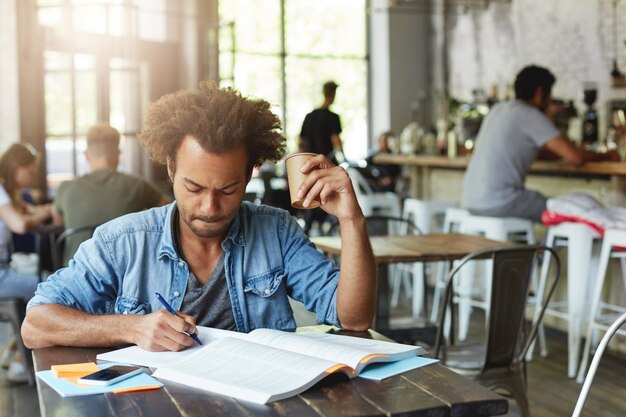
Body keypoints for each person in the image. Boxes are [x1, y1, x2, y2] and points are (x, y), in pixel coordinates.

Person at [22, 83, 376, 352]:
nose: (210, 207)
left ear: (250, 174)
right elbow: (35, 325)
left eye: (227, 189)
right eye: (194, 188)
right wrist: (130, 327)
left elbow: (354, 318)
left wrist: (352, 221)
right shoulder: (123, 242)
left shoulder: (276, 230)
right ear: (172, 169)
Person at [462, 65, 619, 222]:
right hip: (501, 201)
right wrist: (608, 155)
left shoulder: (498, 109)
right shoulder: (530, 114)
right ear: (539, 93)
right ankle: (546, 246)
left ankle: (541, 245)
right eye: (549, 93)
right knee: (566, 211)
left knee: (556, 207)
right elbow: (576, 158)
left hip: (470, 200)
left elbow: (536, 152)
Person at [52, 123, 170, 266]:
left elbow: (58, 221)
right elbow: (170, 213)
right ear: (118, 154)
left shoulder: (65, 188)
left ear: (86, 155)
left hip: (76, 276)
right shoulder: (137, 185)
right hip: (126, 276)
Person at [0, 142, 52, 382]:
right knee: (51, 287)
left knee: (44, 284)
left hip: (4, 270)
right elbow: (20, 224)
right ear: (16, 168)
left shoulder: (9, 194)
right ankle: (21, 361)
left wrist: (43, 210)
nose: (32, 177)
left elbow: (28, 212)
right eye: (30, 172)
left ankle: (16, 354)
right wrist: (48, 211)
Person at [299, 80, 344, 161]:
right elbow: (336, 139)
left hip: (310, 162)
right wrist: (344, 158)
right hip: (327, 163)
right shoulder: (333, 117)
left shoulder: (309, 116)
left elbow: (302, 142)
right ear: (333, 93)